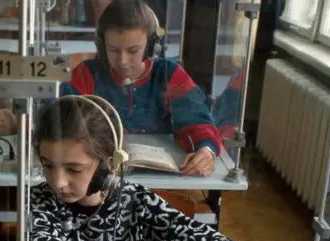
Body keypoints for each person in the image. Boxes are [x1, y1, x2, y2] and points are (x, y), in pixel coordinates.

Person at [30, 95, 249, 241]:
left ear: (109, 164)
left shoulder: (138, 202)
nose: (58, 182)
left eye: (74, 170)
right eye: (47, 165)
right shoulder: (38, 203)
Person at [61, 0, 219, 177]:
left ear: (152, 46)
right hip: (100, 178)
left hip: (165, 180)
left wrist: (206, 150)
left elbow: (197, 118)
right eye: (113, 50)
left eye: (133, 50)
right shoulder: (87, 74)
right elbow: (60, 118)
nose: (122, 61)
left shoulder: (168, 74)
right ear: (101, 46)